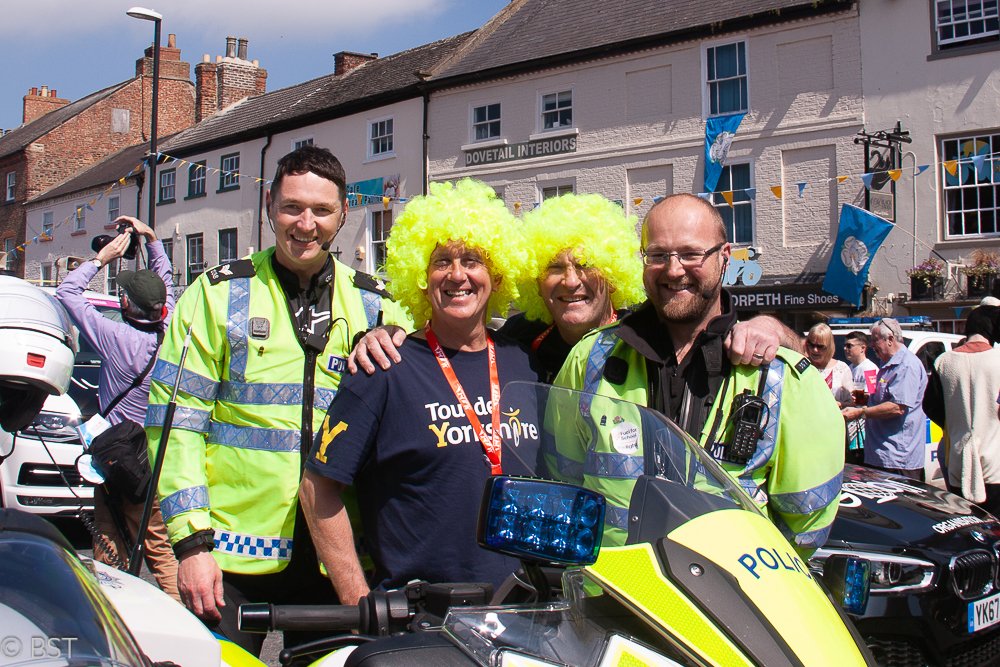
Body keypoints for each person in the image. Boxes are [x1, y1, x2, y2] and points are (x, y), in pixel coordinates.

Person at [145, 145, 411, 655]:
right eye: (292, 207)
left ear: (343, 214)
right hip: (229, 556)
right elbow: (175, 427)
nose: (306, 224)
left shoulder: (378, 304)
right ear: (269, 206)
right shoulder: (216, 294)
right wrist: (191, 544)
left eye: (322, 210)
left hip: (337, 554)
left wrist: (397, 335)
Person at [554, 193, 844, 554]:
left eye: (691, 254)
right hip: (612, 585)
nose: (674, 270)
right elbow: (563, 481)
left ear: (724, 257)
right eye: (658, 255)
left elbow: (805, 529)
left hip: (732, 588)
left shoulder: (783, 376)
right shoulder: (590, 358)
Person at [300, 179, 539, 604]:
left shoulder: (524, 362)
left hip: (524, 609)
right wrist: (359, 602)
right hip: (423, 617)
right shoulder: (383, 367)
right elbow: (317, 488)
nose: (457, 275)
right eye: (441, 261)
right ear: (421, 278)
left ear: (497, 275)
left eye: (473, 260)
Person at [349, 192, 799, 378]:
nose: (570, 281)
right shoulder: (517, 342)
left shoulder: (646, 332)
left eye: (585, 265)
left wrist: (772, 327)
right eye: (554, 267)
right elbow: (452, 346)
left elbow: (709, 326)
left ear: (614, 271)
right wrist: (388, 335)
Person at [55, 216, 179, 601]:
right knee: (159, 545)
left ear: (125, 303)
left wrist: (103, 258)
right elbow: (165, 281)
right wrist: (152, 239)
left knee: (111, 545)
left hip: (118, 457)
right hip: (155, 457)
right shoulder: (169, 328)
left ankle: (117, 615)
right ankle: (192, 619)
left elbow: (67, 293)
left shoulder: (116, 337)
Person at [922, 306, 1000, 513]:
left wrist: (955, 425)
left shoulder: (944, 362)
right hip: (996, 461)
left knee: (965, 520)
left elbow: (930, 406)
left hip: (958, 458)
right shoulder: (998, 360)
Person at [842, 318, 928, 481]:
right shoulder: (885, 364)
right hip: (880, 455)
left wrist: (860, 413)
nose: (871, 345)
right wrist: (864, 400)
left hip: (897, 459)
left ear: (890, 339)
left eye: (875, 340)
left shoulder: (906, 365)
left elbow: (897, 407)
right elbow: (881, 398)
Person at [805, 323, 852, 408]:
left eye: (820, 346)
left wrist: (838, 405)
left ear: (829, 346)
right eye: (811, 345)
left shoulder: (842, 368)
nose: (815, 350)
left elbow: (851, 402)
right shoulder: (802, 364)